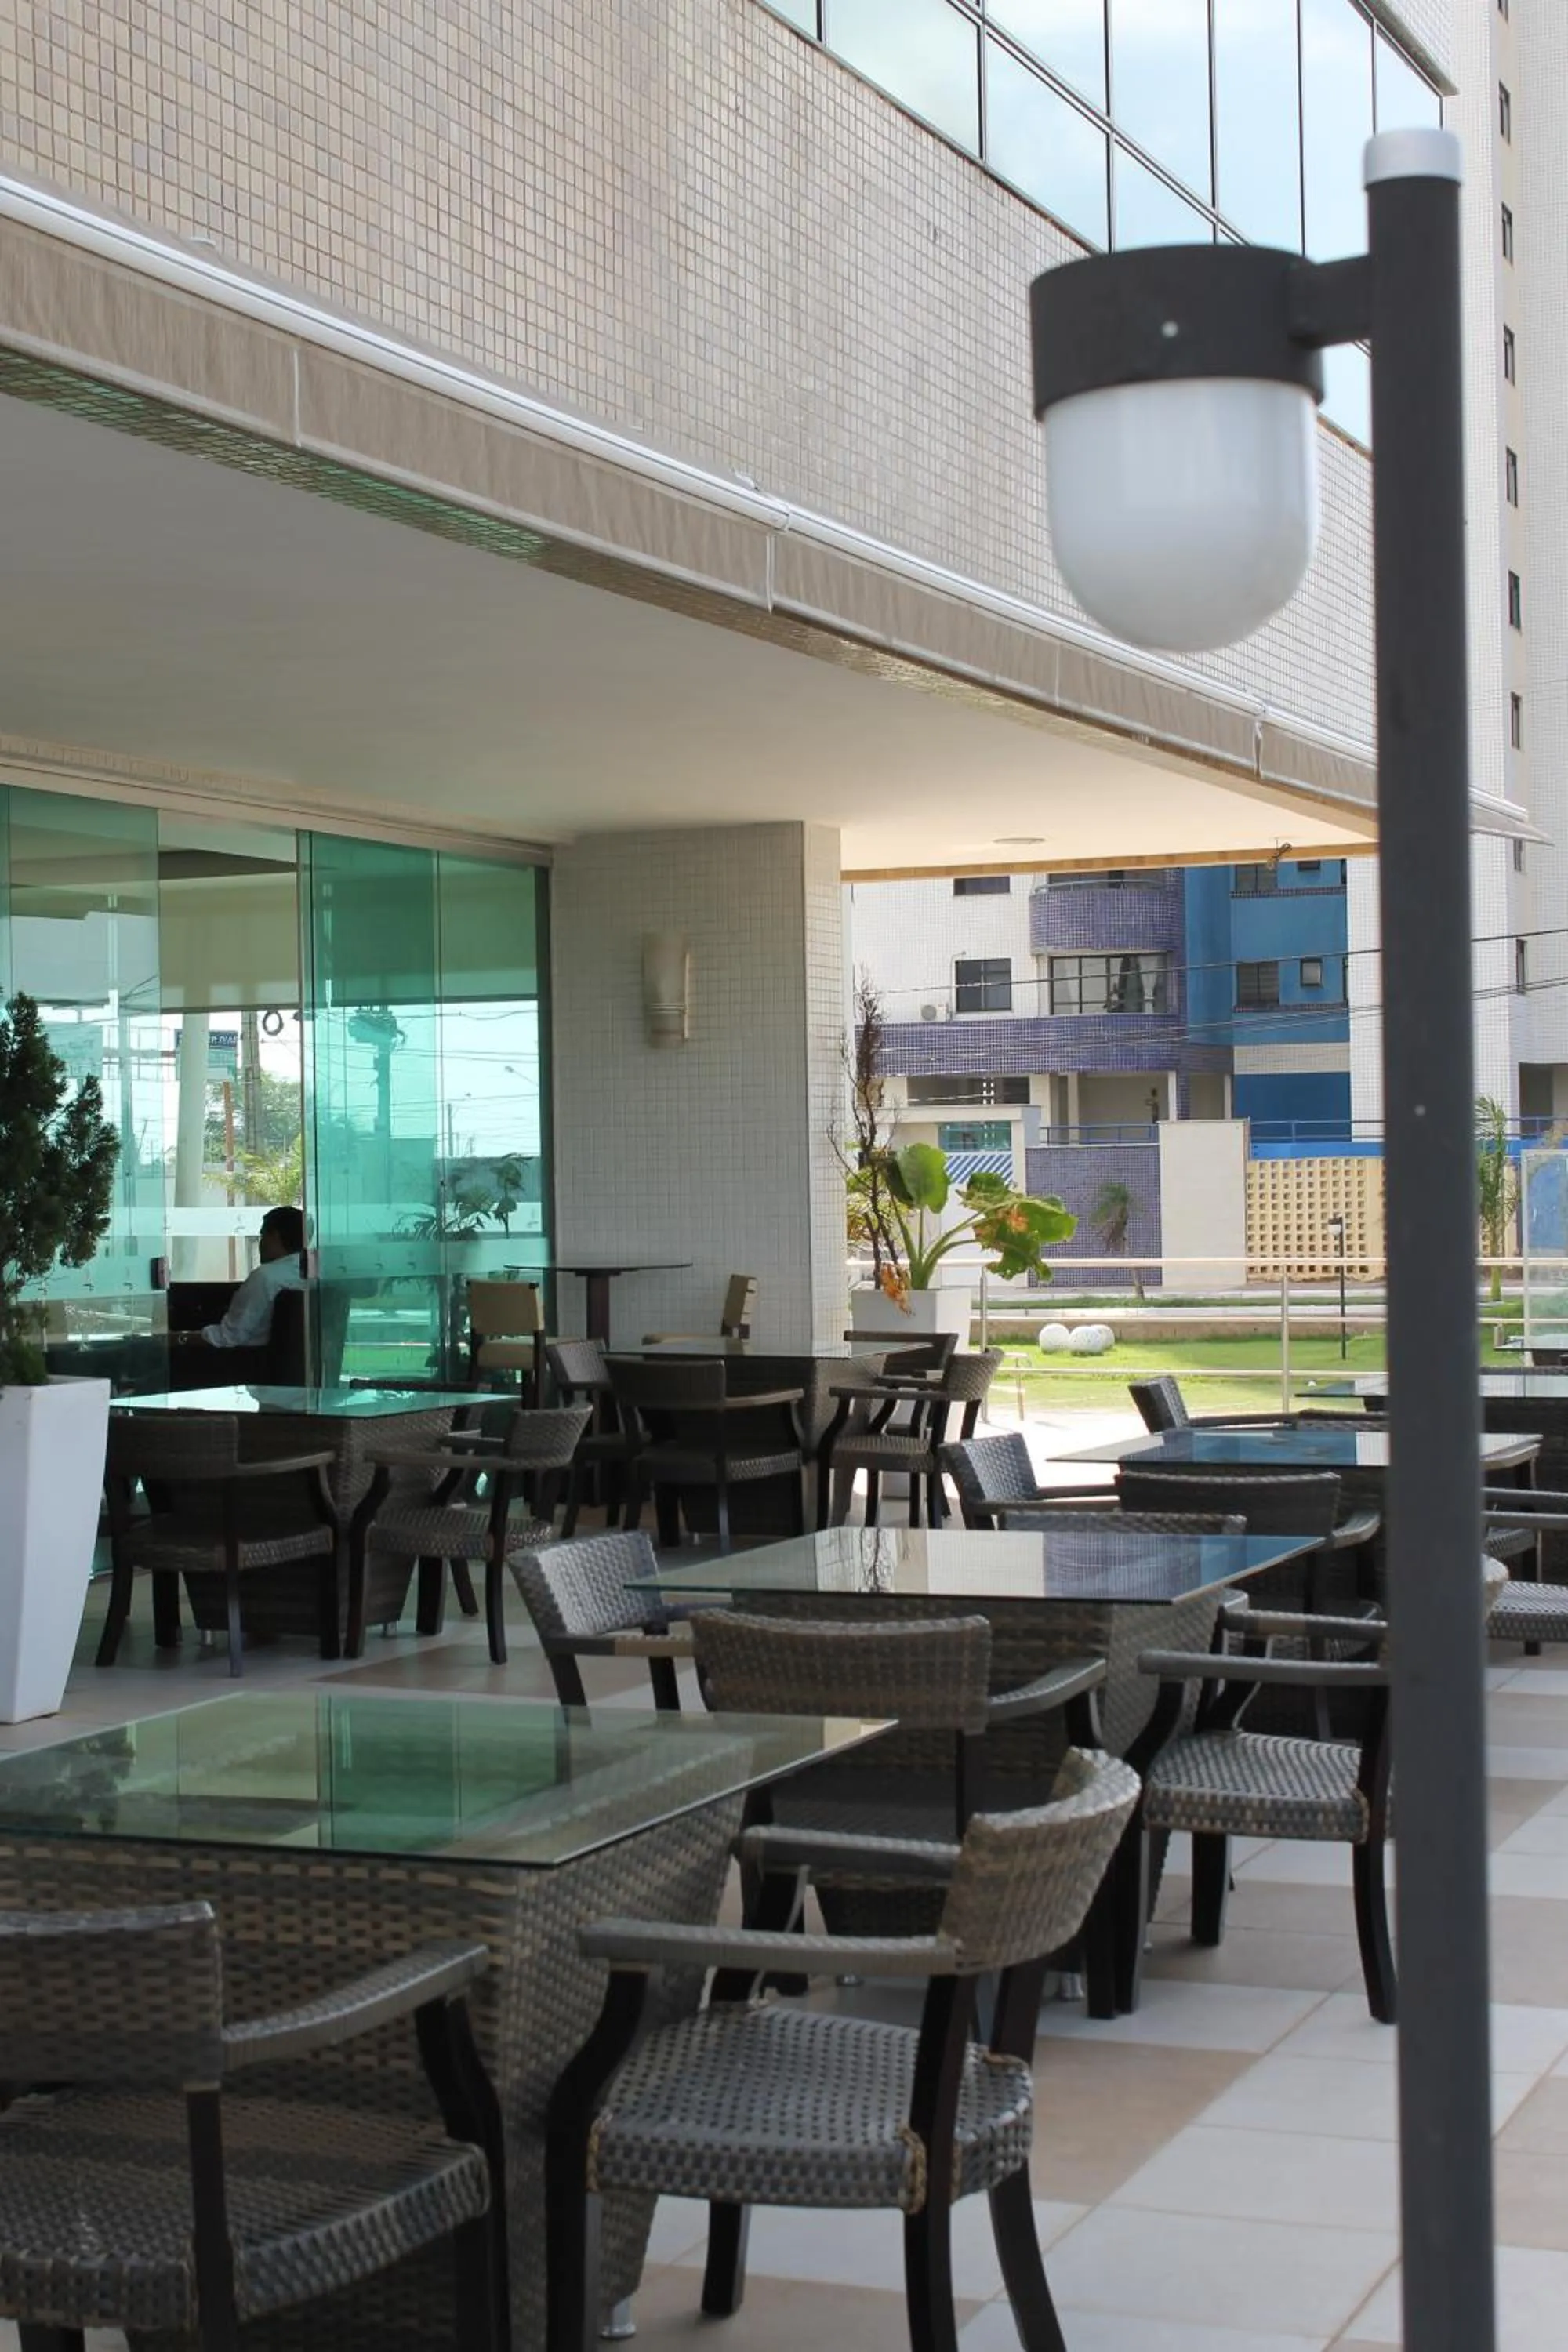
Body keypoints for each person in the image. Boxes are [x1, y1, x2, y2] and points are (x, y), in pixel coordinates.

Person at [187, 1206, 308, 1351]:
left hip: (242, 1363)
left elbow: (229, 1336)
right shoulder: (310, 1276)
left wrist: (178, 1338)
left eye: (262, 1236)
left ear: (274, 1237)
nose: (260, 1244)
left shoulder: (266, 1277)